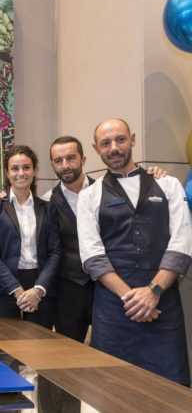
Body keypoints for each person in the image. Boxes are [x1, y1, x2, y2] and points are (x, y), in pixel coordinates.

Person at [77, 118, 191, 386]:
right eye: (105, 143)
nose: (114, 148)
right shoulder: (89, 196)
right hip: (114, 310)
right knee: (114, 388)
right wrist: (133, 299)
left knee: (170, 389)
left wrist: (153, 292)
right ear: (96, 149)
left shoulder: (168, 185)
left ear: (133, 140)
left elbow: (182, 243)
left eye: (120, 139)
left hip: (162, 304)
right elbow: (92, 256)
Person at [0, 145, 61, 329]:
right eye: (15, 168)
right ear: (7, 173)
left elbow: (55, 252)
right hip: (5, 285)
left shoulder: (48, 208)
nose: (21, 173)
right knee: (4, 344)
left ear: (34, 171)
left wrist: (38, 290)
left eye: (26, 167)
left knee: (39, 343)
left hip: (39, 287)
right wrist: (16, 290)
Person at [39, 136, 96, 342]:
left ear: (83, 159)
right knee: (69, 352)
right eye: (58, 160)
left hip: (105, 288)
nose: (65, 165)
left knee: (110, 352)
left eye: (71, 158)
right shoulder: (47, 201)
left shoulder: (105, 190)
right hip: (67, 290)